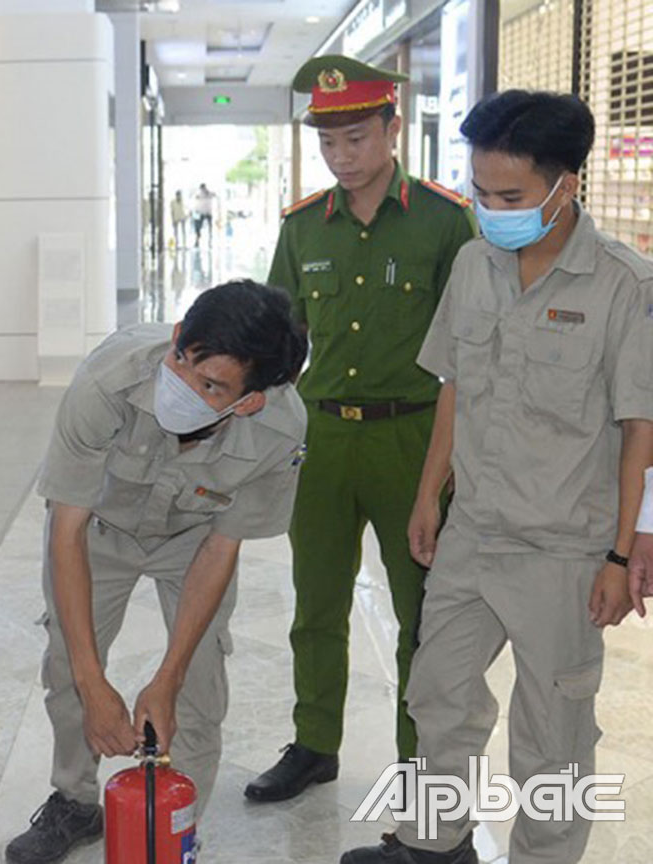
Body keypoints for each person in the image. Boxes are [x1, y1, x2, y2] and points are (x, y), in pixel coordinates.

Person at [342, 90, 653, 864]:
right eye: (480, 193)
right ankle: (433, 844)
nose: (490, 210)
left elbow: (641, 427)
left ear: (564, 186)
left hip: (565, 547)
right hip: (474, 531)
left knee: (554, 733)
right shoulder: (476, 264)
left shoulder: (624, 286)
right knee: (437, 696)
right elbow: (455, 383)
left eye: (509, 197)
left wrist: (622, 554)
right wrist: (428, 495)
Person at [4, 280, 308, 864]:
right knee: (70, 664)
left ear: (249, 400)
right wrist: (95, 686)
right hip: (98, 529)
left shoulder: (279, 431)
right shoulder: (107, 382)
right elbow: (65, 530)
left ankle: (177, 824)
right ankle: (73, 801)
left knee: (196, 684)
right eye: (181, 360)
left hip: (194, 539)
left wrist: (165, 678)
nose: (184, 386)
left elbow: (221, 549)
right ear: (176, 338)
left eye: (212, 385)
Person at [246, 55, 477, 805]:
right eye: (329, 143)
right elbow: (281, 339)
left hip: (411, 440)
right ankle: (315, 744)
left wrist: (446, 470)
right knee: (316, 602)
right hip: (322, 439)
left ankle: (420, 761)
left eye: (356, 139)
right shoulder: (303, 225)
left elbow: (469, 357)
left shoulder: (446, 222)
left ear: (392, 128)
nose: (342, 158)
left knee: (421, 609)